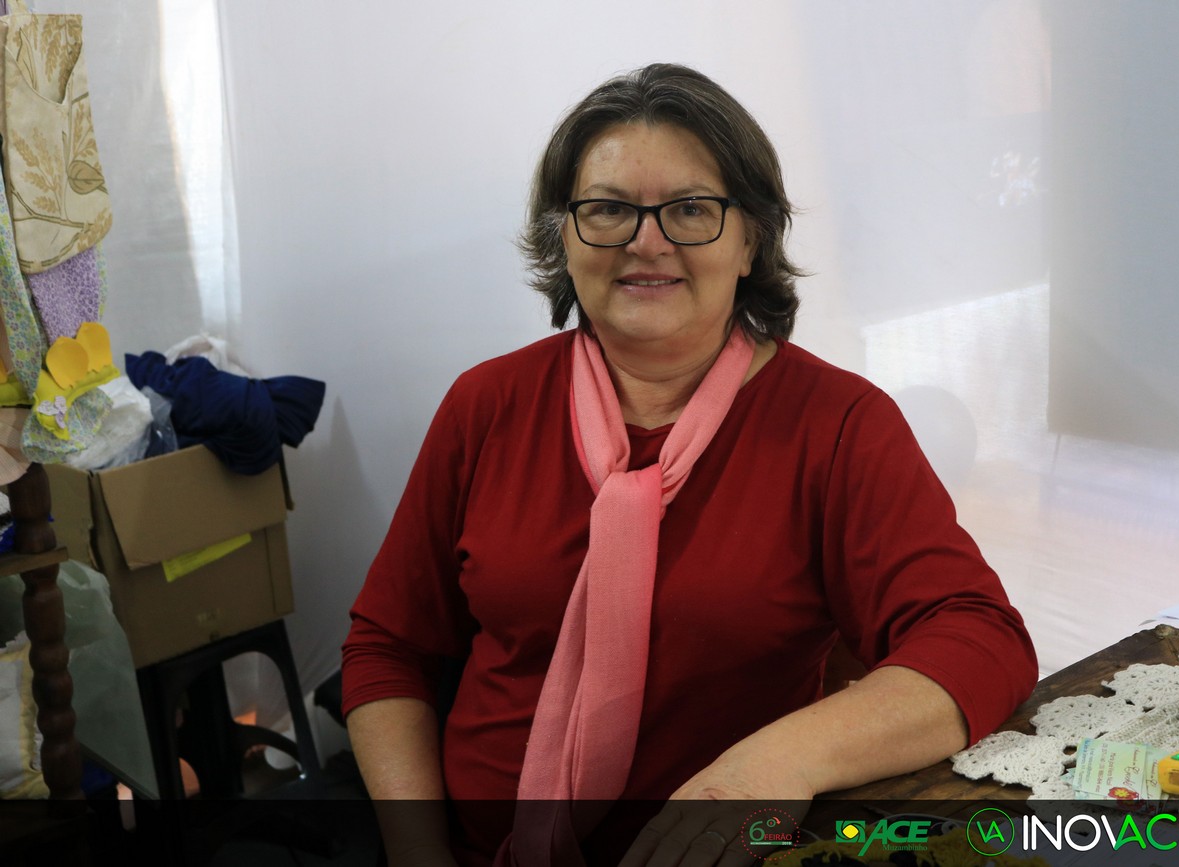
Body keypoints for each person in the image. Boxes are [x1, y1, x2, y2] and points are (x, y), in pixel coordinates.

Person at [341, 63, 1037, 866]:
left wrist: (776, 763)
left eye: (692, 209)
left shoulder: (838, 424)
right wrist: (417, 850)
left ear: (750, 241)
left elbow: (980, 637)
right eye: (608, 209)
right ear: (562, 236)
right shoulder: (488, 404)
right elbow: (388, 646)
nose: (648, 241)